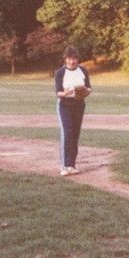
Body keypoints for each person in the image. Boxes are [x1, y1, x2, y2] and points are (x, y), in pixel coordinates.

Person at [54, 46, 92, 176]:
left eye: (74, 58)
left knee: (75, 134)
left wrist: (85, 92)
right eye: (69, 59)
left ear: (78, 59)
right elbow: (58, 93)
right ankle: (64, 166)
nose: (72, 61)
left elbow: (89, 88)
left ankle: (72, 165)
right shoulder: (60, 72)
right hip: (64, 105)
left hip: (79, 105)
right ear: (65, 59)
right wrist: (66, 93)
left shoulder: (83, 70)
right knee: (67, 133)